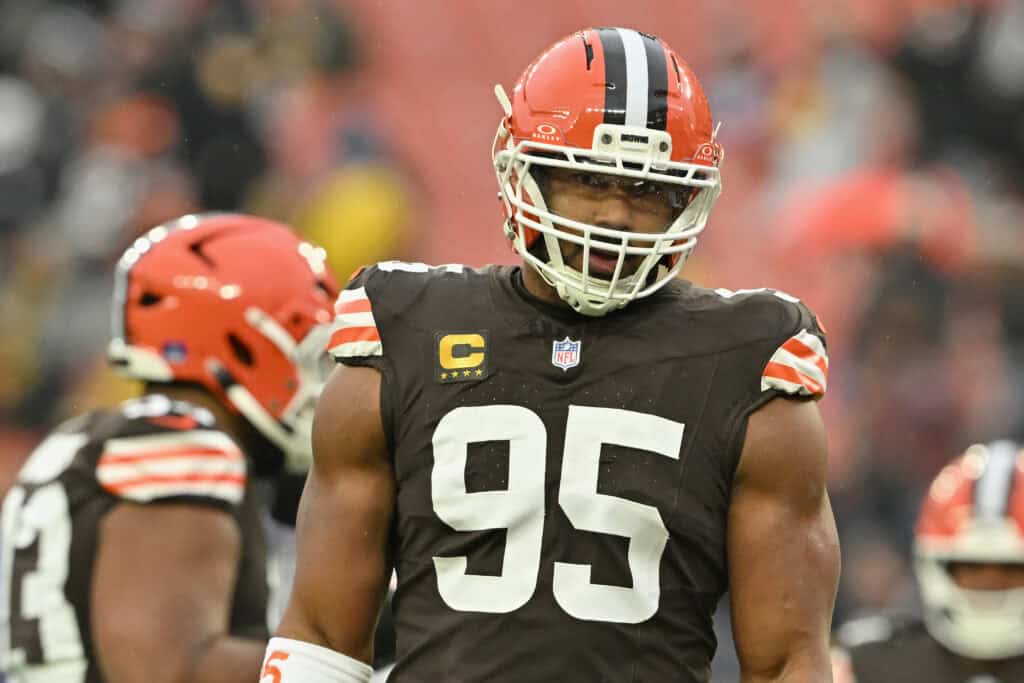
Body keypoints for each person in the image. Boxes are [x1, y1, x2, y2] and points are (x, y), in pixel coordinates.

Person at [270, 27, 839, 683]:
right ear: (522, 168)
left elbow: (788, 661)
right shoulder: (404, 333)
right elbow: (322, 636)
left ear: (690, 199)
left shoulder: (746, 365)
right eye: (588, 180)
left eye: (650, 192)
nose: (617, 217)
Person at [0, 213, 339, 682]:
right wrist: (348, 652)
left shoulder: (81, 438)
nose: (320, 383)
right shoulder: (183, 444)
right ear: (244, 343)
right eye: (309, 356)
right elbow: (170, 674)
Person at [832, 440, 1024, 683]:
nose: (990, 583)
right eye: (971, 569)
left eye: (1011, 571)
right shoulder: (862, 667)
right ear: (934, 567)